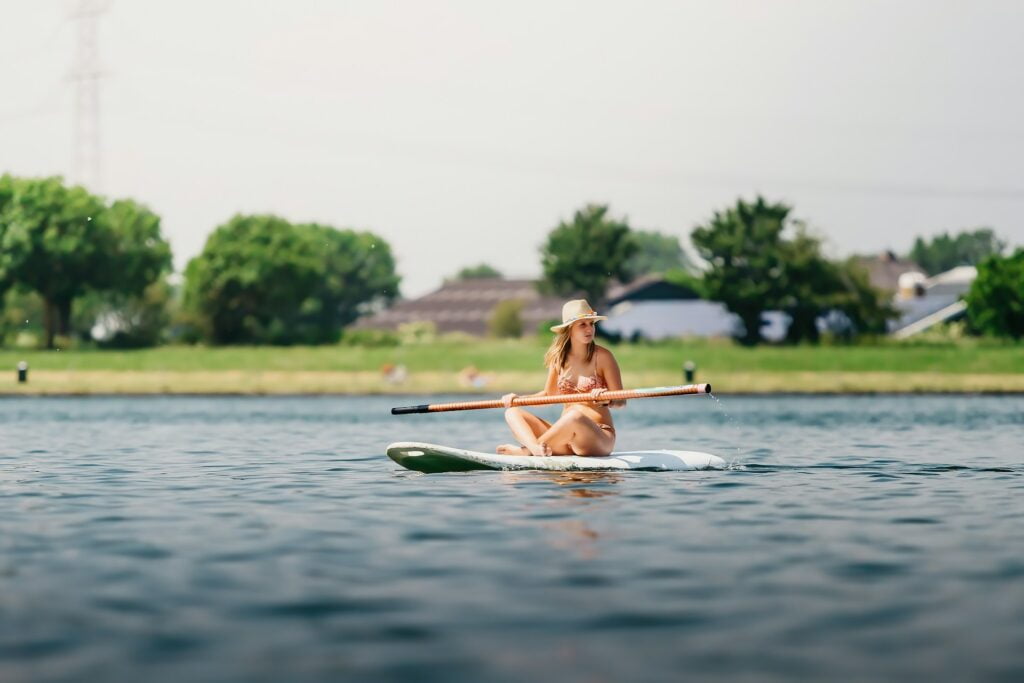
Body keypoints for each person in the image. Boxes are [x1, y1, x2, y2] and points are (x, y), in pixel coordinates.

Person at [496, 299, 625, 457]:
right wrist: (518, 399)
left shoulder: (604, 357)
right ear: (569, 329)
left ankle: (527, 452)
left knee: (575, 416)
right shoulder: (559, 359)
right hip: (566, 439)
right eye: (582, 324)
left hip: (598, 438)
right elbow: (548, 396)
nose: (589, 329)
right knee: (512, 412)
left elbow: (621, 401)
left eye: (591, 324)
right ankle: (535, 449)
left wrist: (607, 399)